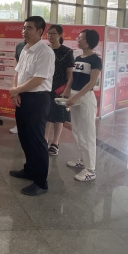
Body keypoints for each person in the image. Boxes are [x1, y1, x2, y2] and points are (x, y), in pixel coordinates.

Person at [8, 16, 54, 196]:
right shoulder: (25, 49)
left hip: (37, 99)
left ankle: (41, 182)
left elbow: (39, 79)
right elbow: (17, 72)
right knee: (25, 136)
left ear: (40, 31)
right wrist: (16, 92)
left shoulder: (45, 52)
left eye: (29, 28)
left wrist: (16, 90)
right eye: (24, 27)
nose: (24, 31)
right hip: (23, 97)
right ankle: (29, 169)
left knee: (36, 139)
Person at [66, 29, 102, 182]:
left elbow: (92, 83)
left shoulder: (95, 60)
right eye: (78, 37)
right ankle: (83, 160)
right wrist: (67, 92)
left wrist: (76, 97)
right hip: (75, 96)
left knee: (87, 134)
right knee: (77, 131)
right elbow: (73, 78)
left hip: (85, 98)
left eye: (81, 38)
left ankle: (91, 170)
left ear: (90, 41)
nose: (78, 40)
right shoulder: (78, 57)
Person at [45, 25, 74, 156]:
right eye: (48, 33)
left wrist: (67, 90)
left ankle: (55, 142)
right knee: (46, 115)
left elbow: (70, 73)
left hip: (60, 88)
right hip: (45, 86)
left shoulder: (67, 52)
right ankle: (44, 140)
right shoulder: (45, 50)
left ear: (60, 35)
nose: (50, 36)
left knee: (59, 116)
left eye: (53, 33)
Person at [9, 40, 27, 134]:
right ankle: (18, 126)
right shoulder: (20, 46)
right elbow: (17, 62)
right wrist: (15, 90)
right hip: (20, 77)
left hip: (33, 87)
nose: (25, 33)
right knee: (19, 105)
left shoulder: (42, 49)